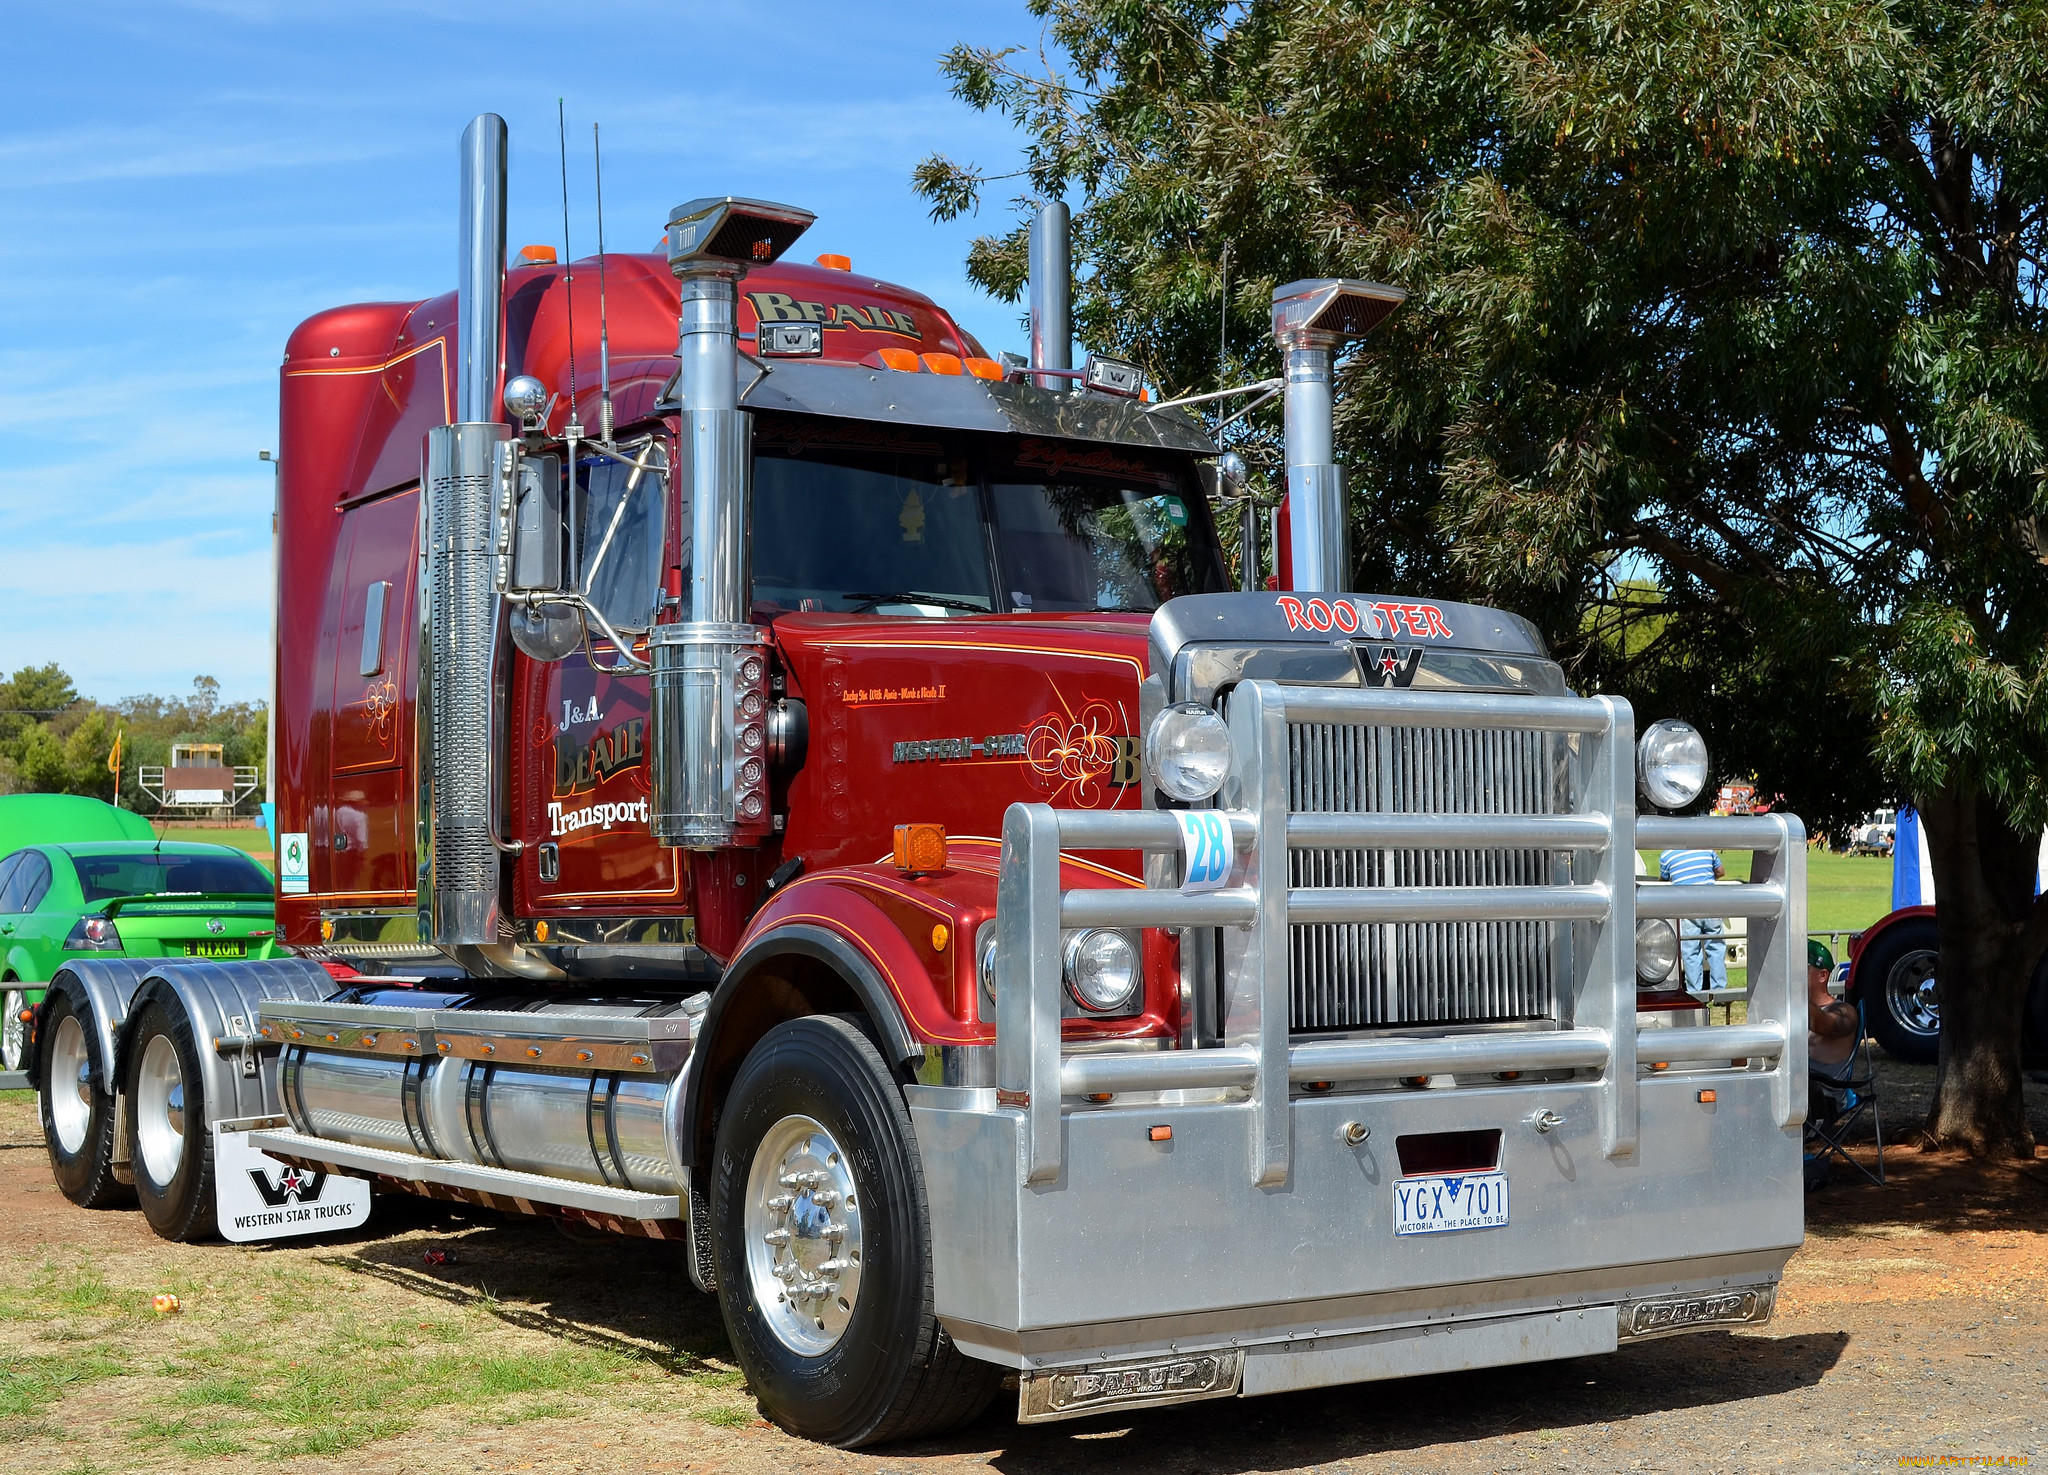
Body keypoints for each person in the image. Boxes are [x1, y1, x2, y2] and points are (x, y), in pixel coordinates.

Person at [1657, 845, 1727, 993]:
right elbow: (1721, 872)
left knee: (1690, 951)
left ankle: (1694, 991)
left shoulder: (1667, 854)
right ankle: (1720, 989)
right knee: (1716, 947)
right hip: (1711, 904)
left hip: (1686, 906)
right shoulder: (1706, 849)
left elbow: (1663, 879)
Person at [1808, 938, 1859, 1083]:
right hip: (1791, 1092)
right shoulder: (1790, 1011)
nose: (1792, 973)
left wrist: (1793, 991)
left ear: (1822, 975)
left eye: (1800, 968)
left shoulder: (1845, 1013)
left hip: (1823, 1099)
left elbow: (1821, 1024)